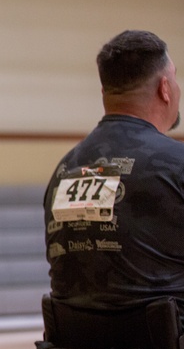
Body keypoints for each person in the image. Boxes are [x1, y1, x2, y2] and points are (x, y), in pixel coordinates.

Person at [45, 29, 183, 308]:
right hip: (163, 345)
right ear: (165, 89)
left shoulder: (64, 170)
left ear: (104, 93)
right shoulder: (176, 163)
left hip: (72, 346)